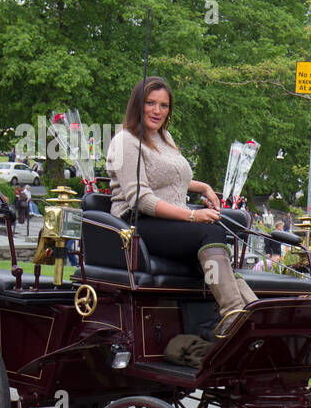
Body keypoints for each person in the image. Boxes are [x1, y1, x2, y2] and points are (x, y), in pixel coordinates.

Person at [107, 76, 253, 336]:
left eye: (163, 105)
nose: (157, 111)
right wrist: (192, 215)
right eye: (150, 103)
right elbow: (141, 199)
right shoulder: (124, 140)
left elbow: (173, 178)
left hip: (167, 222)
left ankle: (254, 313)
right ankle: (234, 315)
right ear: (137, 105)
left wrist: (203, 187)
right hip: (136, 224)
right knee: (209, 231)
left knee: (215, 236)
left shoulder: (165, 137)